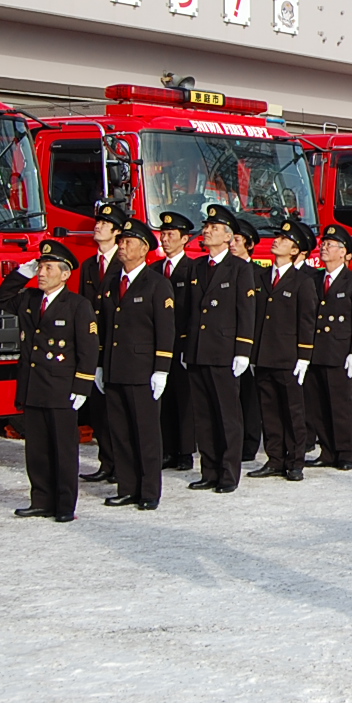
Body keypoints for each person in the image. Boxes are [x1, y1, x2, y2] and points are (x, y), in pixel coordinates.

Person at [0, 239, 98, 522]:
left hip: (62, 387)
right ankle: (41, 499)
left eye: (48, 267)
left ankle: (65, 505)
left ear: (65, 274)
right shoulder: (29, 299)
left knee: (63, 450)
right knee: (36, 450)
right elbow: (0, 299)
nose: (41, 272)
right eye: (40, 266)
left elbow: (88, 348)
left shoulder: (77, 305)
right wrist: (21, 274)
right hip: (34, 385)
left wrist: (82, 385)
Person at [98, 218, 176, 510]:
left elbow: (165, 330)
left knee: (145, 434)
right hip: (116, 367)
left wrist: (161, 369)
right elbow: (105, 326)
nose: (122, 246)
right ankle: (127, 487)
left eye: (128, 242)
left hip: (142, 370)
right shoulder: (112, 281)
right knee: (120, 432)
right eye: (121, 241)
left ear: (144, 248)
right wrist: (100, 364)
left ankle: (148, 491)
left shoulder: (157, 283)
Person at [184, 204, 256, 493]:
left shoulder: (239, 268)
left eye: (214, 228)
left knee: (227, 414)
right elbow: (190, 311)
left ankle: (228, 472)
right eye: (207, 227)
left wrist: (242, 350)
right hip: (198, 349)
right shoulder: (198, 266)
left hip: (224, 349)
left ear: (228, 237)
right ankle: (209, 469)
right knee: (203, 415)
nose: (207, 231)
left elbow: (246, 311)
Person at [250, 220, 317, 481]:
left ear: (295, 249)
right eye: (277, 237)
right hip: (265, 355)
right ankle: (274, 458)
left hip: (289, 356)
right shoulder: (262, 276)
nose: (277, 241)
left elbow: (307, 320)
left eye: (284, 239)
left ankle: (295, 461)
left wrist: (304, 356)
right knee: (269, 410)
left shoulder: (302, 281)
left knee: (293, 411)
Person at [305, 225, 352, 470]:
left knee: (341, 405)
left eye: (330, 245)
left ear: (343, 253)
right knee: (318, 405)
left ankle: (345, 451)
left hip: (339, 353)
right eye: (324, 244)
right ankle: (327, 450)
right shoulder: (314, 279)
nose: (324, 248)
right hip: (317, 351)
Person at [79, 202, 127, 485]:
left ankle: (121, 464)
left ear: (117, 232)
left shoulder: (123, 264)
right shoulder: (88, 265)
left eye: (104, 223)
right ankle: (106, 462)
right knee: (99, 409)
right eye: (97, 222)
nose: (97, 226)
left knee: (117, 410)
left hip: (116, 344)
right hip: (93, 346)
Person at [155, 211, 197, 471]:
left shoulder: (192, 269)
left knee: (184, 398)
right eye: (164, 234)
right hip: (160, 343)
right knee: (163, 398)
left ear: (185, 239)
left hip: (182, 341)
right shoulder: (154, 270)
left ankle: (184, 451)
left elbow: (194, 309)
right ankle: (167, 448)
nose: (166, 239)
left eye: (171, 235)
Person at [231, 218, 264, 462]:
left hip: (251, 344)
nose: (232, 244)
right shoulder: (225, 270)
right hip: (225, 342)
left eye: (237, 240)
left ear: (249, 244)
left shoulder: (258, 274)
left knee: (249, 398)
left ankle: (249, 443)